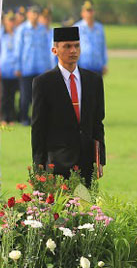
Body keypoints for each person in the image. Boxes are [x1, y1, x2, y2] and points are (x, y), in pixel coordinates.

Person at [31, 26, 106, 186]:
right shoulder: (44, 82)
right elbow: (38, 126)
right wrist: (39, 164)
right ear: (55, 50)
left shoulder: (93, 80)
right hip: (56, 162)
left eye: (76, 46)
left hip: (87, 162)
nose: (73, 50)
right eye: (67, 46)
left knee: (86, 202)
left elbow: (98, 123)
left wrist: (100, 160)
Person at [16, 6, 52, 125]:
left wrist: (48, 66)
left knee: (39, 96)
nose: (35, 16)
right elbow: (18, 48)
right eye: (33, 13)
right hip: (26, 67)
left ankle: (38, 118)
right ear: (28, 14)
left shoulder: (43, 29)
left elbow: (47, 49)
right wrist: (18, 66)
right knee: (25, 95)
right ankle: (24, 118)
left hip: (41, 67)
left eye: (37, 13)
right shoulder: (22, 29)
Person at [75, 0, 108, 76]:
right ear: (82, 13)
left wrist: (104, 64)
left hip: (97, 67)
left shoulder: (99, 28)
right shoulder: (77, 27)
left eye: (91, 10)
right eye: (87, 11)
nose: (89, 13)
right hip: (83, 67)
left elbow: (103, 47)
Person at [0, 11, 20, 123]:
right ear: (5, 21)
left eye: (12, 20)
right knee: (4, 95)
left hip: (14, 69)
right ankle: (3, 117)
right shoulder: (0, 35)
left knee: (12, 95)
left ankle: (11, 118)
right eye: (9, 20)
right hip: (4, 68)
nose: (11, 23)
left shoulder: (18, 34)